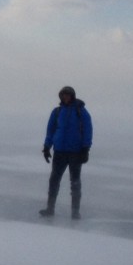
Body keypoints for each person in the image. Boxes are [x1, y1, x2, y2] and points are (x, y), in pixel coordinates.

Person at [40, 85, 92, 219]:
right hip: (60, 152)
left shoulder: (81, 111)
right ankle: (50, 209)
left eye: (68, 95)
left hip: (76, 153)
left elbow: (88, 130)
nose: (65, 97)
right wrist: (47, 147)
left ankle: (75, 212)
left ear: (72, 96)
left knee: (75, 182)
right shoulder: (57, 112)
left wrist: (86, 149)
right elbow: (50, 131)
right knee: (54, 180)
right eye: (63, 95)